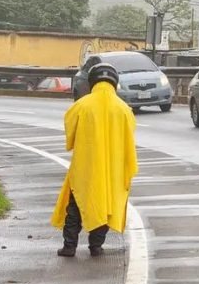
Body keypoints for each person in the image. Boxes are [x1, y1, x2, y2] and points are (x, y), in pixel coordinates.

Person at [51, 62, 138, 257]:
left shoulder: (82, 105)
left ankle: (69, 246)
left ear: (92, 82)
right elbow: (130, 134)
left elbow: (70, 128)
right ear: (114, 83)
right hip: (113, 170)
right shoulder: (124, 109)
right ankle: (96, 246)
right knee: (105, 205)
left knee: (76, 205)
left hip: (85, 168)